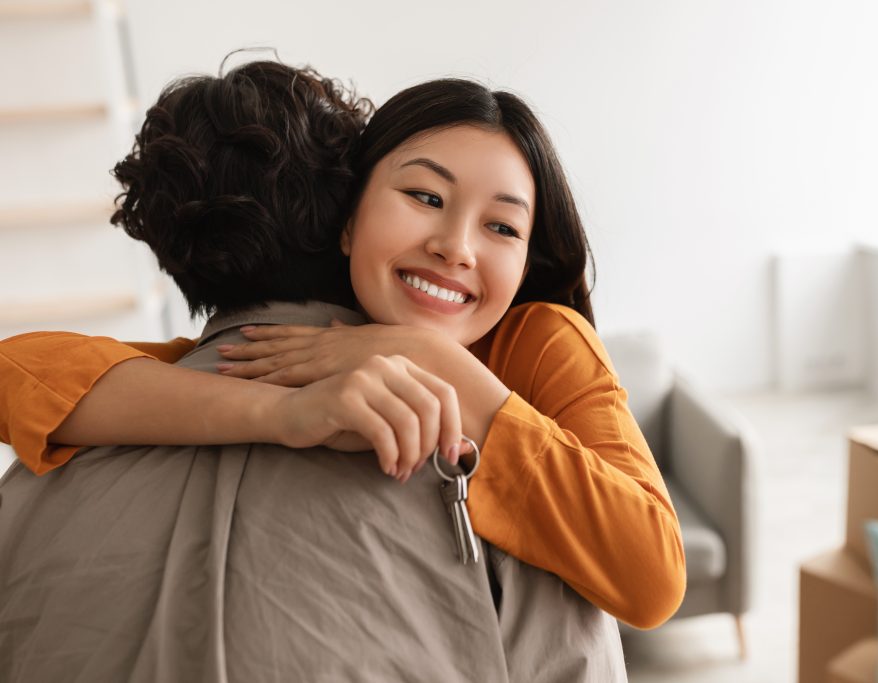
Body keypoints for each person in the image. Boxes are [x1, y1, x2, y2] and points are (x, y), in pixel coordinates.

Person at [0, 59, 685, 631]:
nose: (456, 247)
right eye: (425, 195)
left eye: (502, 228)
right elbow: (17, 373)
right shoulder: (310, 344)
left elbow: (653, 576)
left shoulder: (539, 341)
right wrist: (282, 414)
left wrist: (442, 364)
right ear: (349, 221)